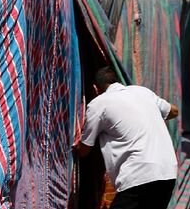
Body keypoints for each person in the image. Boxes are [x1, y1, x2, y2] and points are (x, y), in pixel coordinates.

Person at [77, 66, 180, 209]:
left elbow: (84, 149)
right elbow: (174, 111)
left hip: (138, 175)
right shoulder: (143, 92)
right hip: (167, 173)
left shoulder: (98, 104)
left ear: (95, 88)